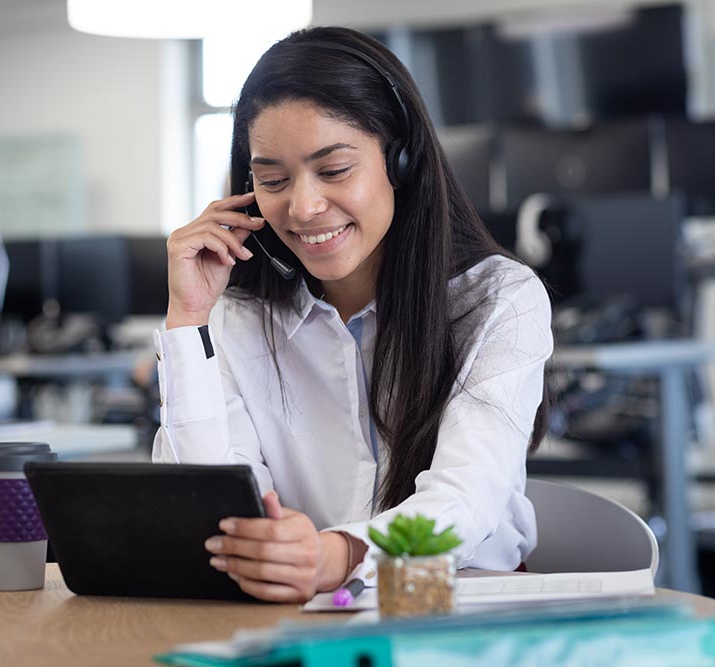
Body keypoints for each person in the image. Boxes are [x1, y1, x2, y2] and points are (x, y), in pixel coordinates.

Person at [153, 26, 553, 603]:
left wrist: (336, 556)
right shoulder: (235, 318)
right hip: (298, 618)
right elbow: (207, 506)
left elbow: (465, 499)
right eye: (273, 180)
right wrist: (188, 318)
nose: (304, 206)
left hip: (463, 612)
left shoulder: (496, 300)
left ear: (403, 161)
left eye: (335, 170)